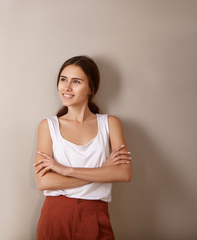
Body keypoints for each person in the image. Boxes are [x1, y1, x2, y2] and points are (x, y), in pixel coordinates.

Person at [34, 55, 132, 240]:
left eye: (76, 81)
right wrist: (101, 172)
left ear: (90, 88)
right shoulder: (48, 126)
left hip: (95, 214)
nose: (66, 87)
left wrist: (66, 170)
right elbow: (44, 182)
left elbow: (123, 173)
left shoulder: (110, 124)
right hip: (55, 214)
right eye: (63, 79)